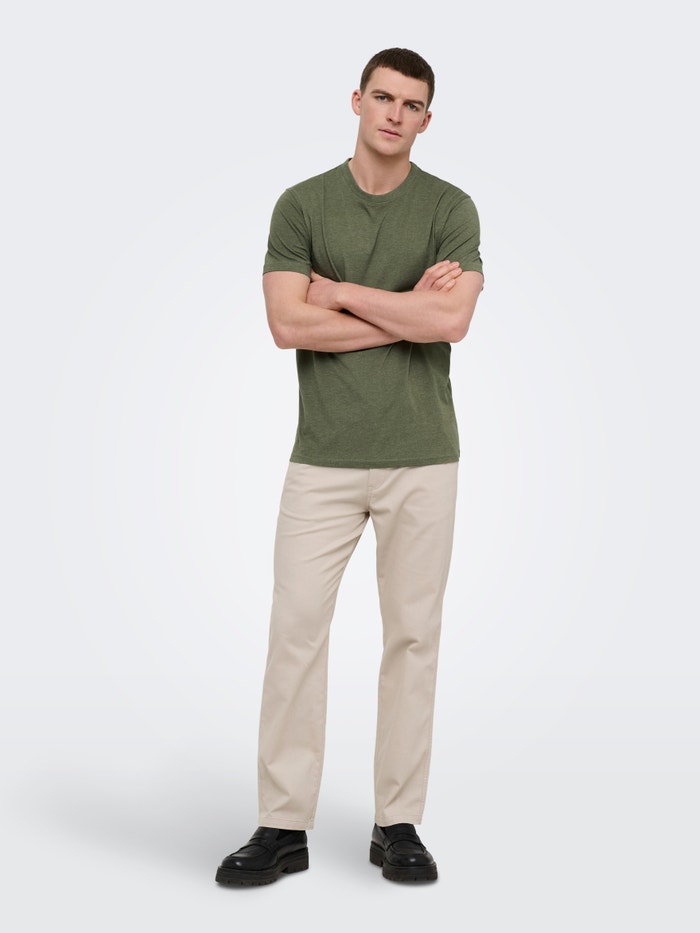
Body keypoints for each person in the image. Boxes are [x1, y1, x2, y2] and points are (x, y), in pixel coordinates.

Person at [215, 47, 484, 886]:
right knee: (294, 634)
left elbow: (453, 322)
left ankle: (396, 822)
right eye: (384, 97)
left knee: (413, 639)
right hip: (323, 459)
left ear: (427, 119)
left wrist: (337, 292)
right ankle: (282, 824)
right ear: (357, 100)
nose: (396, 114)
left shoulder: (450, 207)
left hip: (422, 456)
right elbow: (286, 327)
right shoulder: (302, 204)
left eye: (413, 104)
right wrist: (407, 309)